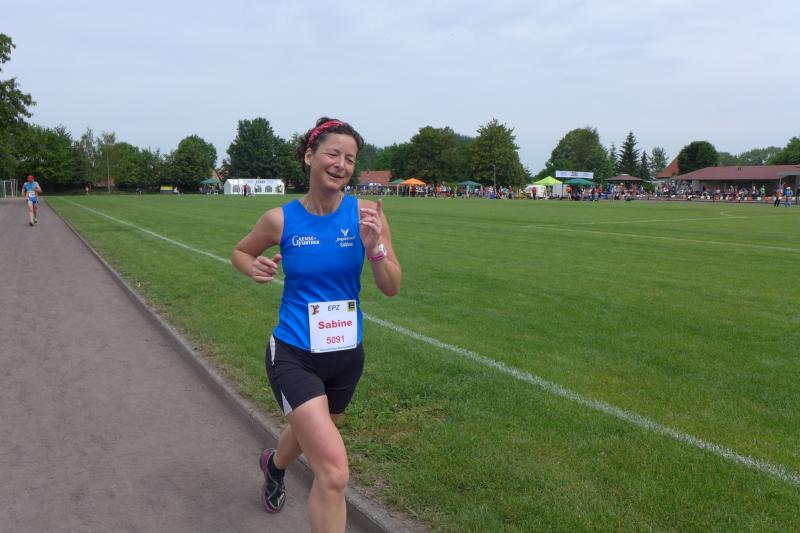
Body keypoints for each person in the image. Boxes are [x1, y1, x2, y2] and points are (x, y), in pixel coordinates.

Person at [231, 117, 402, 533]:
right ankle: (280, 470)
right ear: (310, 156)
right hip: (294, 354)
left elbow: (391, 286)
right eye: (333, 154)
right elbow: (241, 251)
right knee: (334, 471)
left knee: (308, 432)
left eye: (350, 159)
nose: (341, 164)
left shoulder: (367, 215)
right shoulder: (280, 219)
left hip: (345, 356)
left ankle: (274, 466)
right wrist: (253, 267)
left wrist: (375, 248)